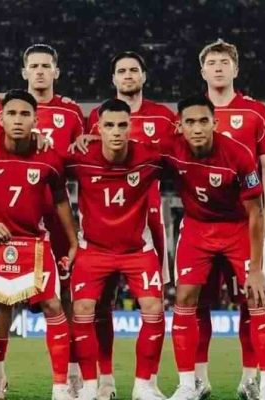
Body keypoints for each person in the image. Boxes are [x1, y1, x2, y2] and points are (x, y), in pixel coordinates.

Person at [0, 90, 78, 400]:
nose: (18, 120)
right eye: (11, 113)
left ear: (36, 120)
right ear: (1, 118)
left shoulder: (49, 158)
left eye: (24, 114)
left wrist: (74, 241)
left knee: (53, 305)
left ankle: (60, 387)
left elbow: (61, 201)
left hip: (35, 243)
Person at [0, 44, 85, 398]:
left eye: (46, 66)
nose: (40, 71)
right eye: (34, 66)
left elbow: (79, 157)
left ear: (56, 71)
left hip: (55, 216)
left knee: (65, 294)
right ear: (24, 71)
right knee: (2, 295)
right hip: (13, 217)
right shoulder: (6, 111)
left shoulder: (72, 112)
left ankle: (71, 373)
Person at [165, 95, 265, 400]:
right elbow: (129, 150)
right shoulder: (170, 147)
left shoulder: (238, 154)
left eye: (204, 121)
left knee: (257, 299)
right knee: (185, 298)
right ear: (179, 126)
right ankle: (189, 384)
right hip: (197, 228)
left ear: (215, 123)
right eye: (190, 122)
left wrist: (256, 269)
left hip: (237, 228)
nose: (197, 128)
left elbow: (255, 212)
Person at [79, 51, 175, 399]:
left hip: (146, 225)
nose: (128, 75)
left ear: (144, 76)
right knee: (96, 307)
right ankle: (100, 382)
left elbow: (179, 159)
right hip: (99, 233)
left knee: (155, 306)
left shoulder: (163, 117)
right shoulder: (94, 120)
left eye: (134, 70)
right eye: (121, 70)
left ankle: (145, 384)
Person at [194, 39, 265, 400]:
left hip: (246, 223)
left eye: (224, 62)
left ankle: (250, 380)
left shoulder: (256, 112)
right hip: (201, 225)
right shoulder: (191, 112)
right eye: (212, 62)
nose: (218, 67)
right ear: (202, 71)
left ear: (236, 69)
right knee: (197, 303)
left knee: (253, 301)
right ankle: (198, 380)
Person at [66, 99, 166, 400]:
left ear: (131, 126)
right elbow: (45, 168)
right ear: (98, 128)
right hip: (93, 249)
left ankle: (143, 386)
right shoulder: (79, 158)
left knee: (154, 308)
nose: (116, 131)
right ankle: (91, 386)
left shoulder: (149, 158)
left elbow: (185, 158)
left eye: (122, 125)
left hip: (137, 249)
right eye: (109, 125)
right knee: (83, 309)